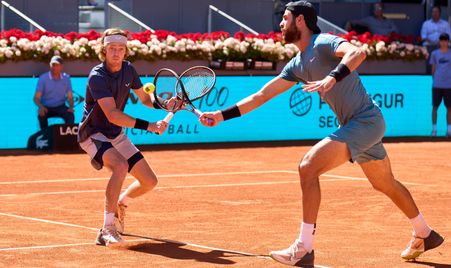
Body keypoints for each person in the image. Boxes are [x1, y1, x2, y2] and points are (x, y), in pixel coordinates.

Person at [200, 1, 444, 266]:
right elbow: (262, 96)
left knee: (308, 167)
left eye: (285, 18)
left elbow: (358, 52)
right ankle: (424, 232)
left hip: (365, 121)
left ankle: (304, 247)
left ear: (301, 21)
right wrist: (221, 115)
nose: (280, 24)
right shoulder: (296, 64)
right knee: (384, 183)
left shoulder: (324, 42)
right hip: (359, 124)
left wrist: (332, 78)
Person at [77, 28, 174, 246]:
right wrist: (149, 126)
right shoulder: (97, 77)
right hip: (93, 133)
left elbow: (145, 99)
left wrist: (165, 104)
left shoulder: (129, 70)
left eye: (121, 49)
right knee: (120, 166)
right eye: (112, 48)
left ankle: (120, 203)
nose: (116, 53)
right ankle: (106, 229)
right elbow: (112, 115)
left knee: (150, 181)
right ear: (104, 50)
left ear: (125, 51)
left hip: (115, 134)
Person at [33, 55, 75, 130]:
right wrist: (41, 107)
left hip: (61, 106)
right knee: (41, 115)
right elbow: (36, 98)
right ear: (50, 65)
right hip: (46, 107)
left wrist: (71, 107)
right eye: (53, 65)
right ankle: (45, 137)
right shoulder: (43, 78)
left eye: (57, 65)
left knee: (70, 115)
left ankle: (67, 138)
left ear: (61, 66)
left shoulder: (66, 78)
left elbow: (70, 97)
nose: (54, 67)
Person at [430, 33, 451, 137]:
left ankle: (449, 130)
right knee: (435, 107)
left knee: (449, 108)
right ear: (439, 42)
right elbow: (433, 69)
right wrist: (436, 80)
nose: (443, 42)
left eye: (445, 40)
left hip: (449, 85)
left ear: (448, 41)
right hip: (437, 85)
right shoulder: (435, 53)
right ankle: (434, 130)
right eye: (442, 40)